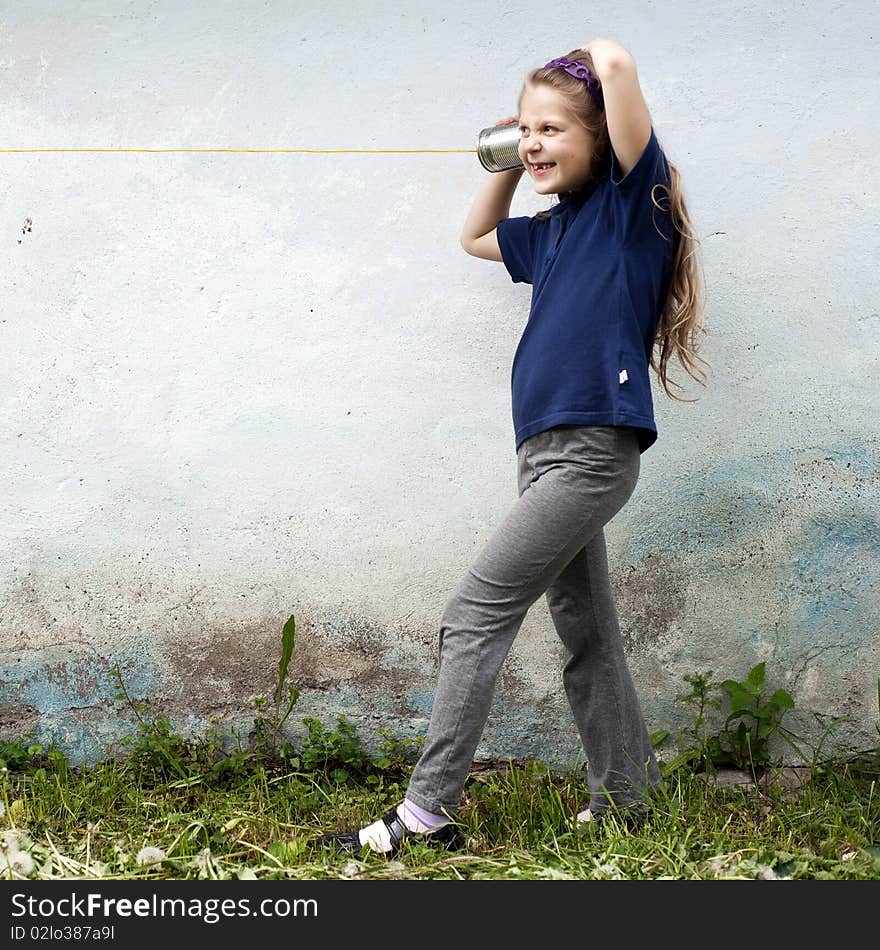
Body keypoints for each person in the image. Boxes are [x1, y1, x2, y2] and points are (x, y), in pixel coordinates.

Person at [319, 38, 708, 856]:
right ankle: (632, 799)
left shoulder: (632, 210)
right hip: (545, 457)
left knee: (473, 614)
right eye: (525, 129)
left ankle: (426, 815)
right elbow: (476, 236)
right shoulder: (553, 230)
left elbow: (619, 67)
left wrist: (589, 57)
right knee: (585, 630)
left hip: (593, 451)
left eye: (553, 130)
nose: (535, 143)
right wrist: (505, 151)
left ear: (602, 139)